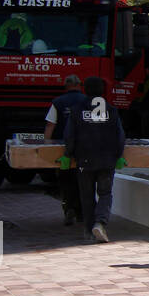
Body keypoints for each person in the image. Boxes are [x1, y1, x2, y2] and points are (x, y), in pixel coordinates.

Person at [62, 76, 126, 244]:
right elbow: (120, 136)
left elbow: (69, 135)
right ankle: (101, 222)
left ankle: (88, 230)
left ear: (85, 89)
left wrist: (67, 155)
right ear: (103, 91)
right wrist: (119, 155)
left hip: (84, 159)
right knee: (105, 193)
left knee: (86, 195)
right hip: (107, 159)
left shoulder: (76, 110)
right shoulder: (112, 110)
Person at [45, 75, 88, 227]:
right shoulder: (88, 101)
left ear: (66, 86)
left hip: (63, 150)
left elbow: (50, 125)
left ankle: (69, 208)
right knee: (83, 181)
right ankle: (82, 213)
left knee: (66, 180)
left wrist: (46, 147)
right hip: (85, 149)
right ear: (80, 85)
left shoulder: (58, 102)